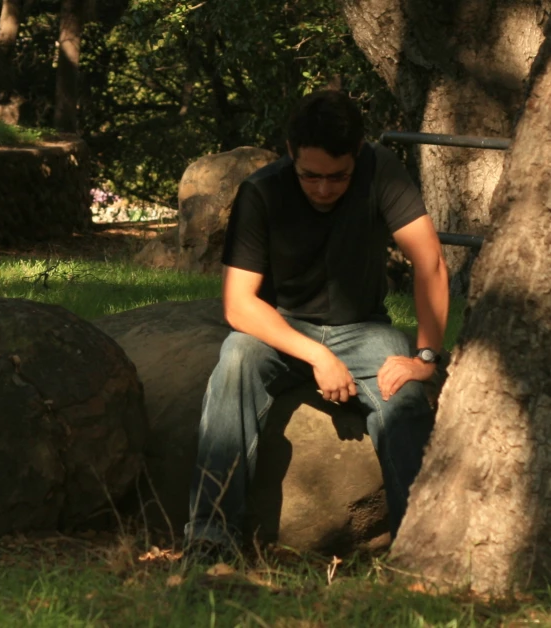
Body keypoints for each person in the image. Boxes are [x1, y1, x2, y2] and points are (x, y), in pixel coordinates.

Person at [183, 90, 449, 563]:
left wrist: (425, 358)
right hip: (281, 328)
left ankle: (420, 550)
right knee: (235, 358)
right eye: (310, 176)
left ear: (359, 154)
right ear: (290, 152)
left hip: (364, 329)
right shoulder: (261, 191)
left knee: (404, 392)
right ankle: (210, 539)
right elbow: (239, 305)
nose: (324, 188)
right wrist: (318, 356)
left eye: (338, 177)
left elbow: (429, 261)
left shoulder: (381, 170)